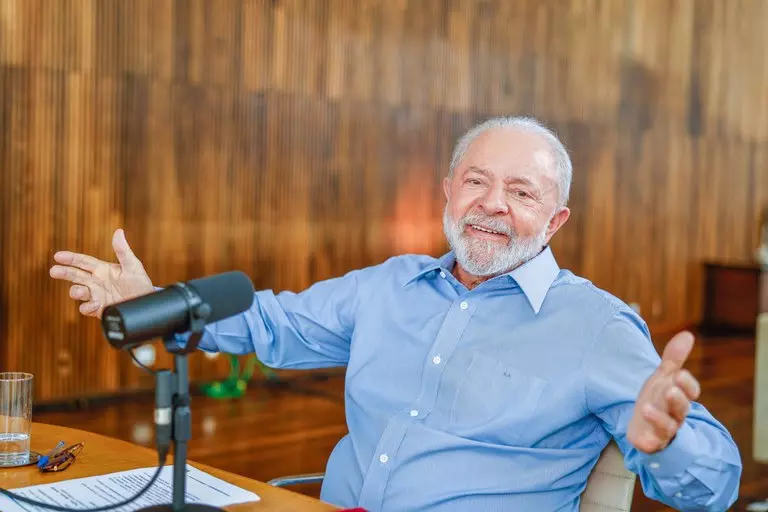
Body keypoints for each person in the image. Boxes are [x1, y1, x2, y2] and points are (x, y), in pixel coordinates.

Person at [50, 116, 741, 511]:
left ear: (555, 220)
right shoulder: (390, 285)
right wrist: (159, 304)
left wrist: (669, 441)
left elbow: (715, 485)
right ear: (449, 192)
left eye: (522, 192)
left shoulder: (598, 327)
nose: (492, 204)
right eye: (476, 180)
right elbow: (271, 326)